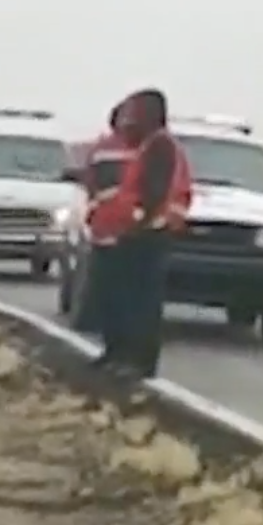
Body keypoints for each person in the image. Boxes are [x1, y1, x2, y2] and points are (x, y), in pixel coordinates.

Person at [94, 89, 192, 378]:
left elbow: (154, 190)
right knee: (124, 298)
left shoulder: (161, 145)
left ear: (151, 115)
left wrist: (138, 223)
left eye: (135, 112)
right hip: (139, 231)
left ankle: (139, 362)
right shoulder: (150, 144)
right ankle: (121, 355)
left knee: (141, 302)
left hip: (149, 234)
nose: (129, 119)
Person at [72, 104, 136, 336]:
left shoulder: (102, 149)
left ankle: (113, 332)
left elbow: (90, 182)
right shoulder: (153, 147)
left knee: (107, 284)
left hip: (110, 228)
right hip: (131, 230)